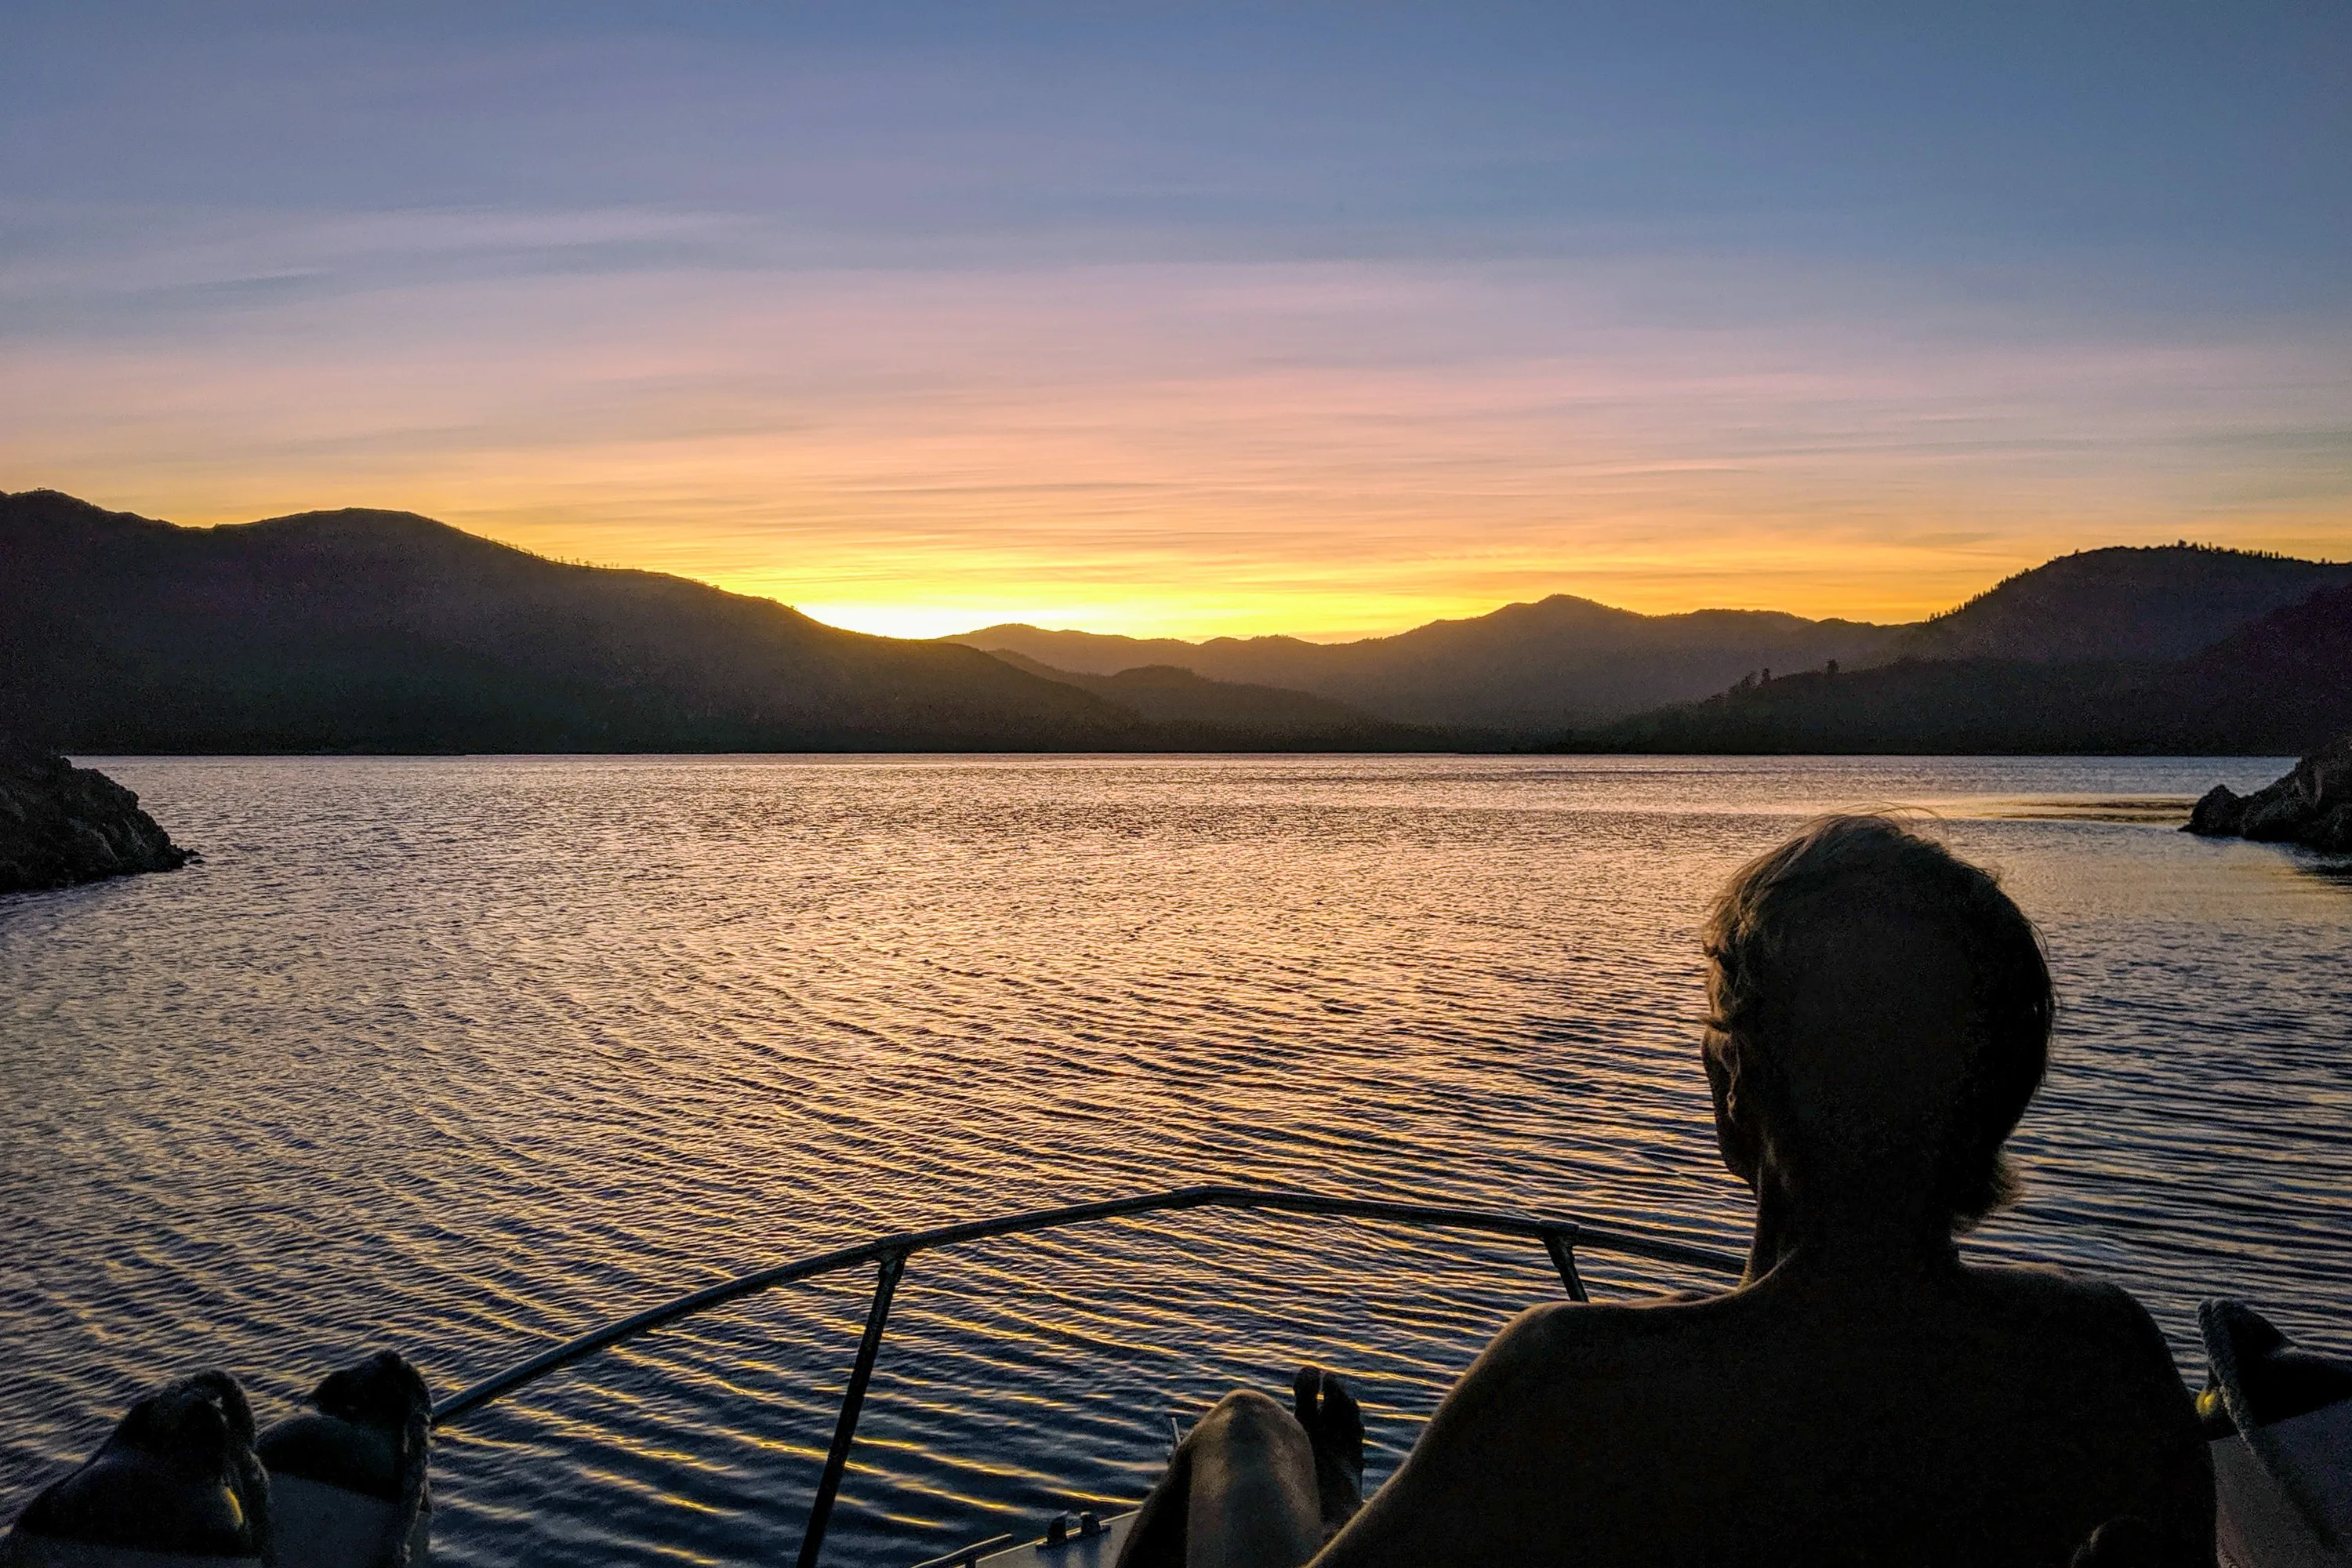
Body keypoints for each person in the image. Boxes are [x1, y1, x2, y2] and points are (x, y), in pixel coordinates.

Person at [1118, 815, 2215, 1568]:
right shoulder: (2104, 1364)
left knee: (1245, 1431)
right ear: (2002, 1095)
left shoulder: (1581, 1388)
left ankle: (1300, 1462)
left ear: (1735, 1086)